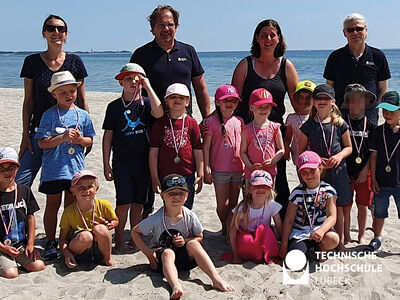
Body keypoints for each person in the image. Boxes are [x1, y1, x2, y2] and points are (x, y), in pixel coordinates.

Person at [231, 19, 298, 219]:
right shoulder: (245, 65)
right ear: (257, 38)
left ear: (279, 38)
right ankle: (249, 223)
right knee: (250, 182)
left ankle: (278, 228)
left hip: (274, 134)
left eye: (272, 35)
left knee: (280, 184)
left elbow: (298, 103)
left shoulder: (287, 65)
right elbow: (232, 102)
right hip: (249, 133)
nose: (268, 39)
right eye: (264, 35)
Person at [131, 174, 234, 299]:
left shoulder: (189, 215)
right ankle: (175, 285)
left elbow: (199, 236)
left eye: (181, 193)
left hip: (184, 260)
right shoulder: (156, 218)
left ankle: (216, 279)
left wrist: (186, 240)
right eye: (171, 194)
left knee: (194, 244)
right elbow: (135, 232)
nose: (176, 197)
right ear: (163, 196)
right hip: (162, 261)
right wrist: (147, 252)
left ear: (186, 196)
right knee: (168, 253)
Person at [17, 14, 89, 187]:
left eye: (61, 29)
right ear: (44, 33)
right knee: (20, 183)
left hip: (70, 134)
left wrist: (86, 133)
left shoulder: (75, 61)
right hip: (40, 133)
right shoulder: (32, 61)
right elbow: (28, 102)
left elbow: (82, 100)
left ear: (66, 35)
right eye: (51, 28)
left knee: (70, 188)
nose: (56, 32)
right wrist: (25, 135)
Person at [102, 63, 163, 253]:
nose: (132, 82)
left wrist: (148, 86)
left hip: (143, 161)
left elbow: (160, 112)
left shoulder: (145, 104)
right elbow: (108, 136)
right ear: (121, 82)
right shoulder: (113, 107)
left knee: (139, 204)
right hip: (122, 161)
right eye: (127, 79)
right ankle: (119, 239)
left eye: (136, 79)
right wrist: (106, 162)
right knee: (123, 203)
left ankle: (136, 239)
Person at [36, 71, 96, 260]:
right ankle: (52, 241)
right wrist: (61, 138)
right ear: (54, 94)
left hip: (75, 170)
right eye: (63, 92)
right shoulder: (49, 115)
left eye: (72, 91)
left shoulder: (83, 115)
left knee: (71, 206)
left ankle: (67, 238)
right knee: (52, 205)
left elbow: (90, 141)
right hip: (54, 169)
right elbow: (42, 142)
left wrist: (80, 140)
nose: (69, 95)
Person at [130, 5, 210, 119]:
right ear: (152, 29)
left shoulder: (188, 51)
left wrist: (206, 119)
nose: (166, 29)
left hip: (184, 121)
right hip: (151, 121)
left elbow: (200, 88)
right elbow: (131, 91)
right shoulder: (140, 55)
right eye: (161, 25)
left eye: (170, 25)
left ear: (176, 27)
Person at [298, 84, 352, 251]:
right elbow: (301, 151)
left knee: (340, 208)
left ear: (333, 101)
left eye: (326, 98)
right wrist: (315, 160)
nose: (322, 101)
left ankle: (340, 242)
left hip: (338, 172)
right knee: (318, 205)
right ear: (313, 102)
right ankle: (317, 237)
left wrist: (339, 156)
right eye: (318, 98)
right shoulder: (308, 125)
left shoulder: (340, 123)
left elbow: (349, 147)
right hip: (318, 173)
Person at [324, 13, 391, 126]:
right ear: (344, 33)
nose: (355, 33)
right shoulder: (335, 57)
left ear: (366, 31)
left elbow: (383, 89)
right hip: (341, 115)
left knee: (369, 144)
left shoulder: (378, 56)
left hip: (369, 116)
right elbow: (330, 88)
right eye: (350, 30)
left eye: (359, 29)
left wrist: (376, 109)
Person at [149, 83, 203, 209]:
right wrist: (154, 177)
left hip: (187, 173)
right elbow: (153, 153)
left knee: (186, 206)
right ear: (167, 101)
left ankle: (184, 229)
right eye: (173, 97)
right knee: (169, 206)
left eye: (181, 97)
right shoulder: (160, 124)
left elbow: (198, 150)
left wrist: (200, 174)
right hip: (166, 173)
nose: (177, 100)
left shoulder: (191, 123)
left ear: (187, 102)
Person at [279, 151, 339, 260]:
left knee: (333, 238)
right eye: (304, 172)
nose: (309, 175)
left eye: (312, 171)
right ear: (300, 174)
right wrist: (283, 245)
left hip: (320, 232)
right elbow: (289, 220)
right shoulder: (297, 193)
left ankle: (320, 250)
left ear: (320, 169)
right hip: (300, 233)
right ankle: (307, 251)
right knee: (297, 259)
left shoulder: (328, 191)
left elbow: (332, 216)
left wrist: (322, 230)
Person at [203, 85, 244, 235]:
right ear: (217, 102)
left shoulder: (239, 121)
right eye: (226, 100)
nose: (230, 103)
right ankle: (224, 226)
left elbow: (244, 145)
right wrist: (206, 168)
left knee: (233, 203)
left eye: (233, 100)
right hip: (219, 168)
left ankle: (228, 231)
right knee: (222, 205)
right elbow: (205, 147)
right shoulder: (211, 122)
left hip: (238, 168)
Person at [0, 147, 45, 278]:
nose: (6, 172)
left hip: (20, 244)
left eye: (11, 167)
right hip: (2, 246)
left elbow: (31, 217)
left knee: (38, 266)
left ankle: (15, 261)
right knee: (11, 273)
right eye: (2, 168)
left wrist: (30, 244)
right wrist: (3, 248)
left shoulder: (24, 190)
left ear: (17, 168)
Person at [59, 170, 118, 268]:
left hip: (99, 248)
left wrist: (109, 225)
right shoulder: (69, 211)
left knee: (101, 229)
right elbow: (62, 239)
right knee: (86, 236)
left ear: (97, 189)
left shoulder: (104, 205)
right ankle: (76, 258)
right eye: (81, 187)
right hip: (80, 249)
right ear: (73, 191)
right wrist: (66, 254)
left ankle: (107, 259)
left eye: (90, 187)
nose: (86, 191)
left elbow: (115, 221)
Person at [341, 84, 376, 245]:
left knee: (362, 205)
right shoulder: (341, 123)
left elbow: (373, 153)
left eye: (359, 100)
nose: (356, 104)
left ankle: (362, 235)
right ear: (347, 103)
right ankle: (346, 235)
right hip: (345, 171)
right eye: (352, 100)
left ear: (365, 103)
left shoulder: (371, 125)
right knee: (346, 206)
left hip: (364, 172)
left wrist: (366, 170)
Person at [228, 170, 282, 264]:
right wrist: (236, 255)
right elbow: (233, 230)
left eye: (265, 186)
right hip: (247, 235)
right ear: (249, 189)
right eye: (257, 186)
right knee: (246, 239)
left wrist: (284, 245)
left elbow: (279, 226)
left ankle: (264, 253)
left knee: (265, 230)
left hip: (263, 236)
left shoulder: (271, 205)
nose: (261, 189)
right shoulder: (243, 208)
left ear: (270, 189)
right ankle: (257, 253)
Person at [368, 91, 400, 251]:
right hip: (381, 181)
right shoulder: (378, 131)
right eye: (384, 111)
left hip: (399, 182)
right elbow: (373, 156)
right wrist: (373, 178)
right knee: (379, 212)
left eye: (391, 111)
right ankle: (377, 237)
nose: (387, 114)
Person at [240, 88, 284, 186]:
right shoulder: (246, 129)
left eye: (267, 106)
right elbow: (242, 152)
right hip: (252, 171)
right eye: (260, 106)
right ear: (252, 107)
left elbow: (281, 149)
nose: (264, 110)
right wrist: (250, 166)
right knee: (251, 198)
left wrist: (273, 161)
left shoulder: (275, 127)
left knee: (268, 198)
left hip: (270, 170)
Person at [284, 80, 316, 166]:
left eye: (308, 97)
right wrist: (286, 147)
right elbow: (288, 137)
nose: (304, 101)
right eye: (300, 97)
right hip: (298, 156)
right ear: (295, 98)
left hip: (316, 156)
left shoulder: (317, 117)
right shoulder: (291, 118)